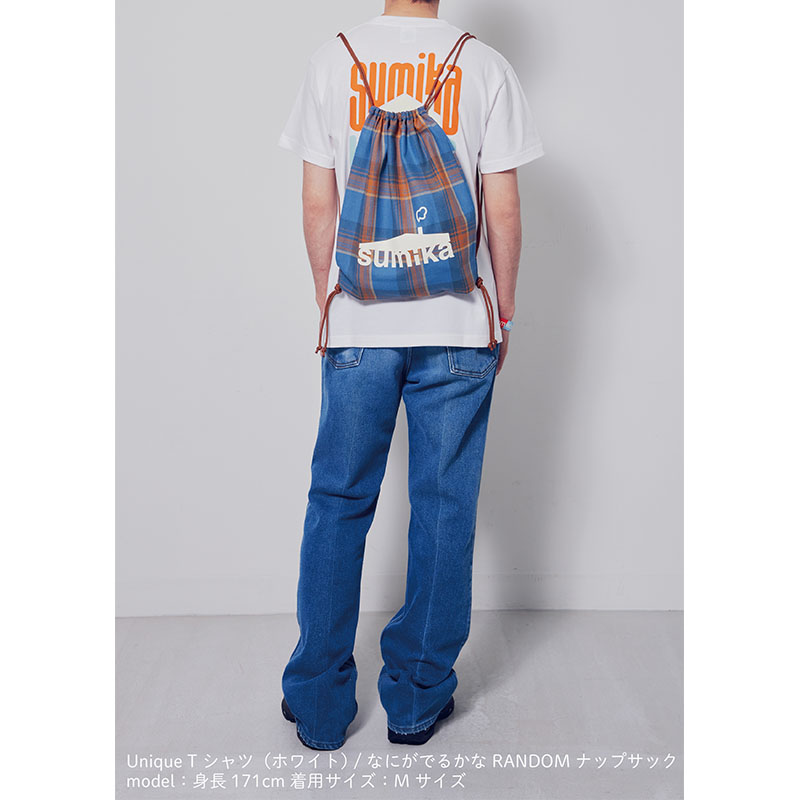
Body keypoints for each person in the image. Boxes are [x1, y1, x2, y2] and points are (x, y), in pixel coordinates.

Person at [278, 0, 544, 750]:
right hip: (458, 325)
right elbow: (503, 210)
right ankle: (417, 700)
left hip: (359, 324)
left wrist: (330, 301)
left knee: (338, 500)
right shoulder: (484, 66)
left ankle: (320, 702)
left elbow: (318, 201)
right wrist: (502, 312)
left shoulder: (332, 60)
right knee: (444, 506)